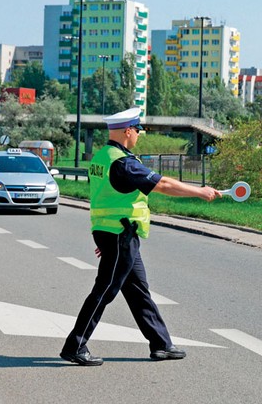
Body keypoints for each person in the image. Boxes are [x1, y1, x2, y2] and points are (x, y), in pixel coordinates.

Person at [60, 107, 222, 367]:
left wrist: (105, 238)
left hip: (114, 233)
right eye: (137, 130)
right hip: (120, 234)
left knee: (138, 291)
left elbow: (106, 195)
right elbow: (163, 185)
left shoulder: (102, 157)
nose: (138, 135)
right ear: (127, 131)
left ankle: (161, 344)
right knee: (104, 291)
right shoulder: (124, 162)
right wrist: (199, 191)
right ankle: (75, 345)